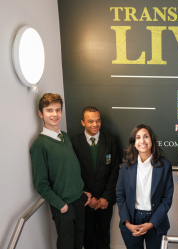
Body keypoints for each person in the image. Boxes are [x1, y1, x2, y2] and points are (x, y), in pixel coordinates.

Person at [30, 93, 91, 249]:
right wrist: (62, 206)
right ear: (40, 113)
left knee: (79, 244)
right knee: (66, 246)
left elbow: (71, 168)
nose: (55, 114)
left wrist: (82, 192)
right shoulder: (40, 145)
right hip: (64, 206)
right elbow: (41, 185)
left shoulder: (65, 137)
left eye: (58, 110)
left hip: (79, 201)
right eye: (49, 110)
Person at [116, 124, 174, 249]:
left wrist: (151, 223)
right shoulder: (126, 166)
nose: (142, 141)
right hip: (132, 220)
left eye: (146, 137)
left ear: (152, 140)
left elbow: (167, 199)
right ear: (134, 143)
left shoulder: (164, 165)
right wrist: (127, 223)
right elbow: (120, 196)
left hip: (156, 221)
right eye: (138, 137)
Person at [71, 106, 119, 249]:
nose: (95, 124)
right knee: (88, 236)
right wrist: (88, 197)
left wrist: (106, 197)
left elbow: (114, 170)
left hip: (105, 200)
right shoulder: (74, 142)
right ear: (82, 122)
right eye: (90, 121)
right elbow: (74, 172)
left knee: (104, 235)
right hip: (85, 200)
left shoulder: (110, 140)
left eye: (98, 121)